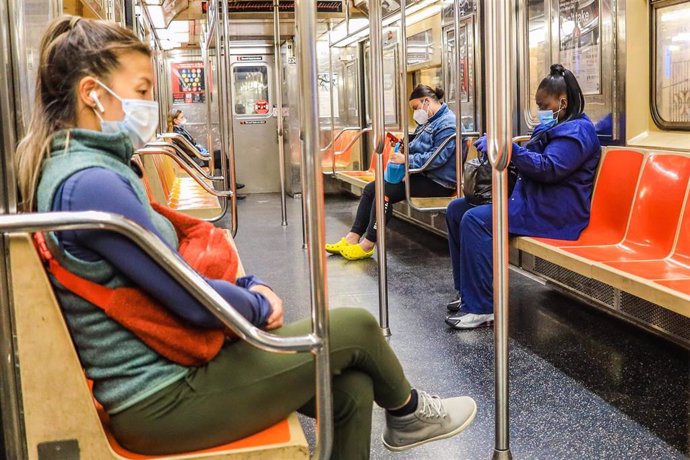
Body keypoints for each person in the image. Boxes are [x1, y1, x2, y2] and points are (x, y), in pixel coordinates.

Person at [16, 16, 477, 458]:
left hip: (168, 369)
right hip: (159, 397)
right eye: (140, 91)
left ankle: (406, 417)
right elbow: (187, 298)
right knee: (355, 326)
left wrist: (240, 287)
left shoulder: (79, 169)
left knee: (352, 389)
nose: (147, 106)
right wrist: (256, 302)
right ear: (92, 94)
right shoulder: (90, 183)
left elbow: (160, 274)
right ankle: (411, 412)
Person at [444, 64, 601, 329]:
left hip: (554, 211)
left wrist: (511, 151)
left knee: (475, 220)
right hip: (531, 201)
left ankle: (481, 307)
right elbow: (533, 160)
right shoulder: (555, 126)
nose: (541, 111)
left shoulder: (577, 133)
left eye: (544, 104)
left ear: (563, 101)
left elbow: (550, 168)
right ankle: (467, 293)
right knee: (457, 209)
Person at [326, 85, 462, 260]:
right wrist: (404, 147)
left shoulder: (448, 124)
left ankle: (368, 244)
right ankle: (352, 237)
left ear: (426, 101)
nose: (415, 113)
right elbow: (418, 146)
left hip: (438, 182)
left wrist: (407, 159)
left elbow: (438, 158)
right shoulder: (429, 120)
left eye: (415, 108)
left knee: (385, 192)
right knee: (370, 189)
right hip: (422, 175)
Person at [167, 109, 246, 197]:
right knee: (222, 157)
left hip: (196, 157)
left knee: (222, 158)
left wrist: (201, 149)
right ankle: (231, 187)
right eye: (182, 117)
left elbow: (191, 145)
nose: (184, 119)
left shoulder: (180, 131)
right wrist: (201, 152)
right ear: (175, 120)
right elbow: (189, 150)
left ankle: (230, 188)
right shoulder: (177, 134)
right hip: (194, 160)